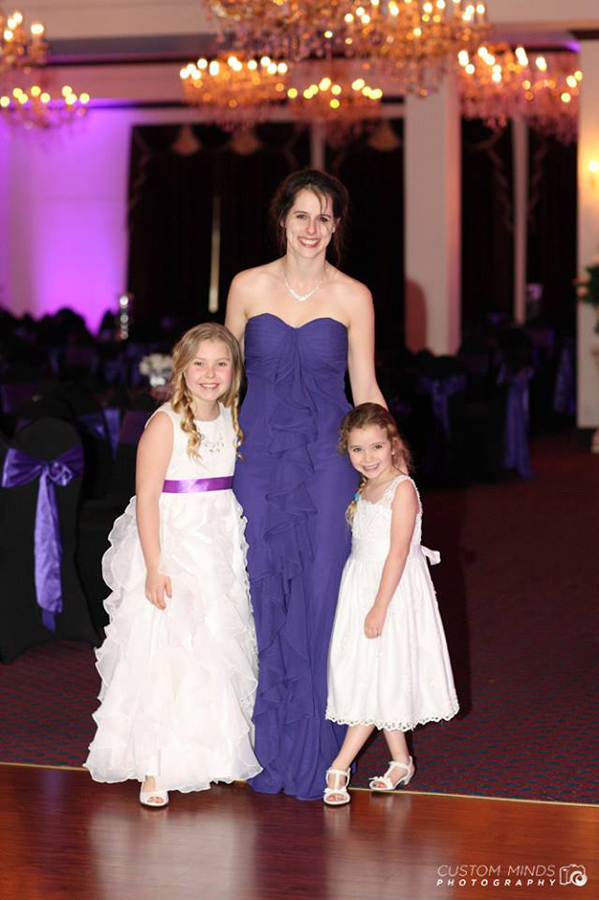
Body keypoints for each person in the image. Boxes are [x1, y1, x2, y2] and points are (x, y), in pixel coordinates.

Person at [225, 168, 386, 800]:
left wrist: (389, 464)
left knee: (321, 589)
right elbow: (224, 377)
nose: (312, 229)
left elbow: (364, 386)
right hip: (257, 454)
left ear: (335, 226)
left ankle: (317, 748)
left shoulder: (354, 296)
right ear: (283, 220)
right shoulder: (246, 285)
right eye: (301, 216)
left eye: (324, 218)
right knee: (260, 582)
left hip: (327, 456)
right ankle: (260, 744)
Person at [84, 323, 261, 807]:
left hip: (218, 541)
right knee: (166, 651)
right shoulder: (164, 423)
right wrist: (154, 564)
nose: (210, 374)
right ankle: (154, 764)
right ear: (181, 369)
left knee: (214, 644)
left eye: (221, 364)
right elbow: (146, 500)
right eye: (199, 364)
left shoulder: (231, 417)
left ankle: (216, 753)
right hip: (174, 543)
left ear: (234, 371)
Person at [323, 403, 459, 806]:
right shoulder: (366, 487)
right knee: (376, 672)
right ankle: (401, 759)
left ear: (392, 444)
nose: (367, 458)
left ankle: (339, 765)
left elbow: (398, 553)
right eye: (357, 450)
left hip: (392, 591)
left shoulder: (402, 489)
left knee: (375, 673)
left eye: (376, 447)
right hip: (361, 585)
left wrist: (380, 606)